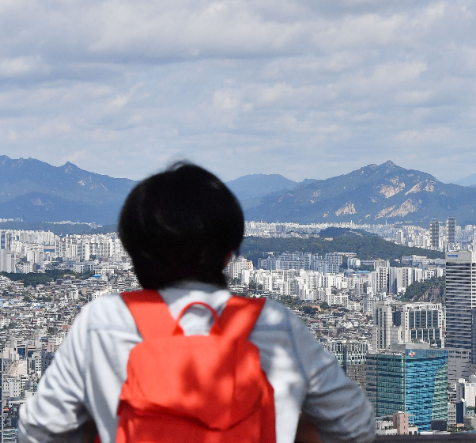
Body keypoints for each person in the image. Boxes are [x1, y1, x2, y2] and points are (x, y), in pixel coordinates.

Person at [18, 163, 375, 443]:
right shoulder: (272, 324)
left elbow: (39, 431)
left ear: (133, 253)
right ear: (228, 254)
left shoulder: (102, 321)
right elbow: (356, 427)